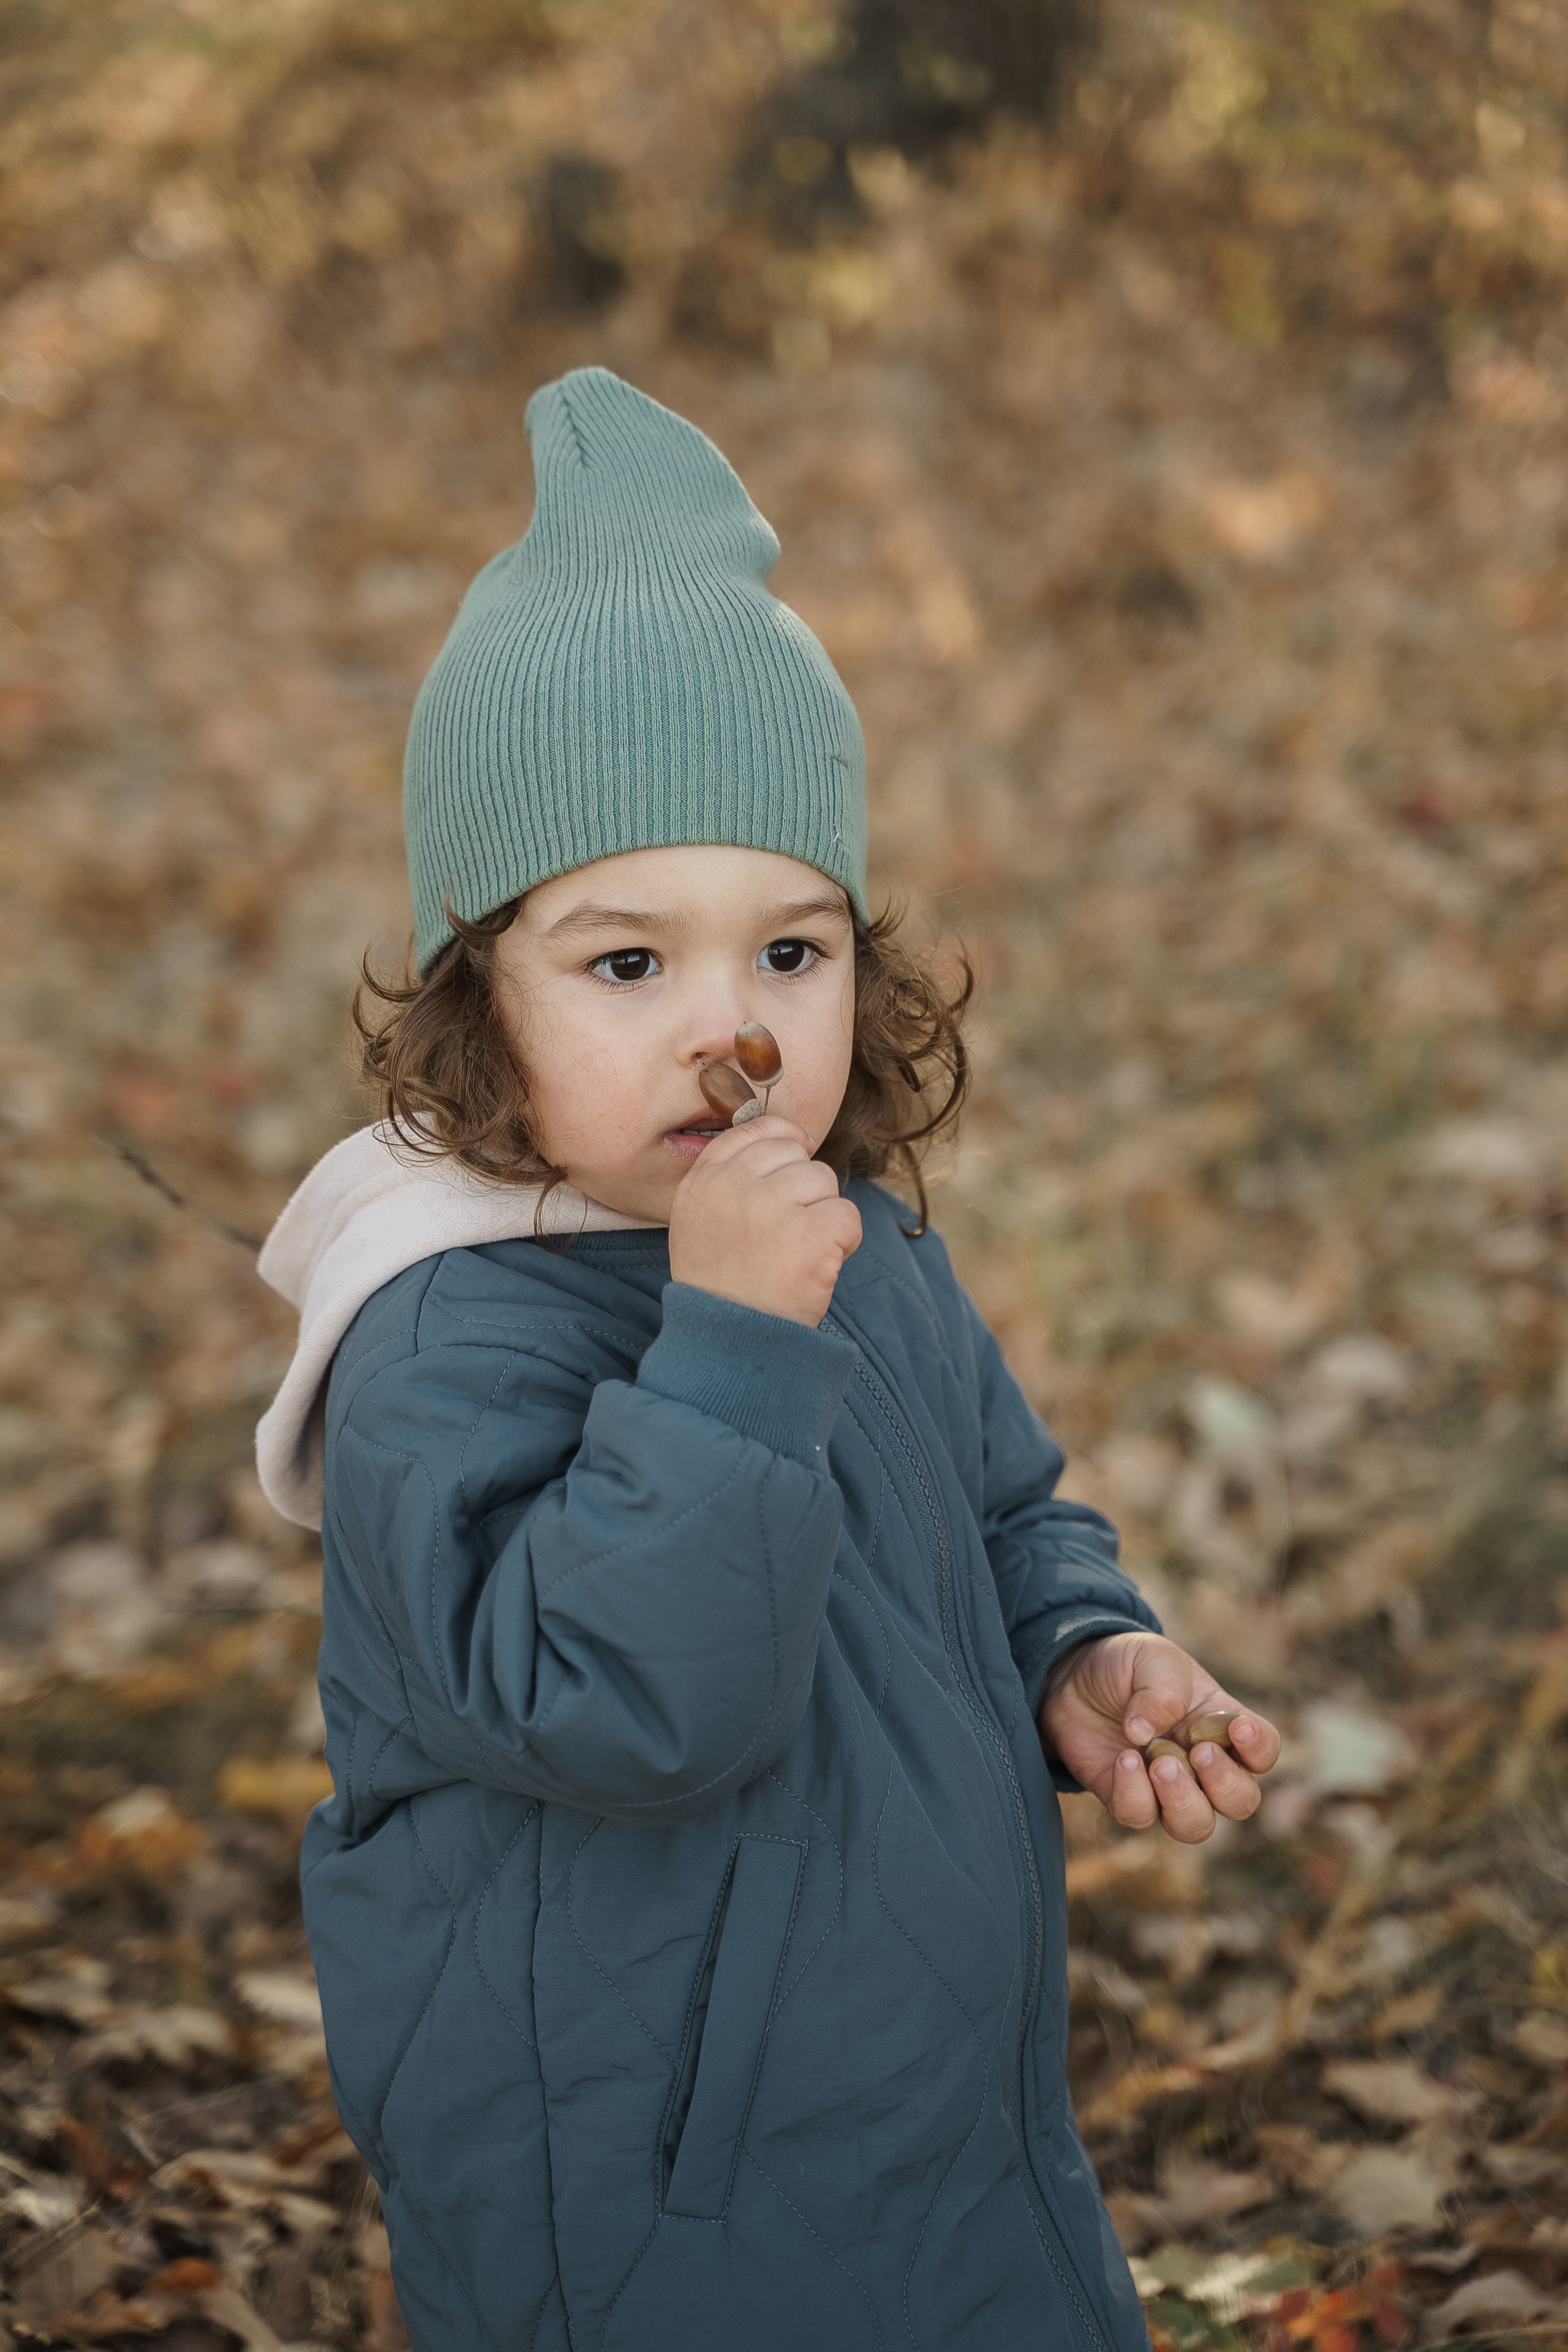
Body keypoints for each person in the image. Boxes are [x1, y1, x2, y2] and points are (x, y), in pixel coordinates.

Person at [255, 367, 1280, 2352]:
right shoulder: (441, 1337)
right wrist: (726, 1346)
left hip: (942, 2131)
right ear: (478, 998)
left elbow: (998, 1509)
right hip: (649, 2194)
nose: (730, 1032)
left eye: (791, 953)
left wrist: (1076, 1645)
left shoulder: (851, 1247)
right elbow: (611, 1707)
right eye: (628, 962)